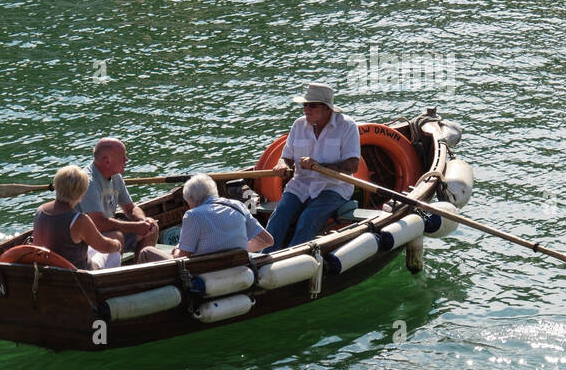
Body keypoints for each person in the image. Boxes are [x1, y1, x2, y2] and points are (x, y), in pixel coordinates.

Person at [265, 83, 361, 250]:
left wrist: (320, 166)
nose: (306, 109)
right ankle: (262, 258)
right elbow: (286, 157)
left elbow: (353, 166)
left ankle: (294, 260)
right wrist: (282, 166)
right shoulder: (298, 125)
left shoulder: (347, 126)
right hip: (300, 184)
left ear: (327, 108)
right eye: (305, 105)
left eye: (312, 105)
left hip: (334, 187)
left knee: (308, 218)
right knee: (279, 215)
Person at [137, 175, 272, 261]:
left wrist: (176, 248)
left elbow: (181, 257)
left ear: (191, 199)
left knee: (146, 252)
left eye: (187, 203)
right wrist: (239, 248)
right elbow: (267, 240)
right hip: (237, 267)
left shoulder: (193, 215)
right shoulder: (238, 206)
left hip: (202, 273)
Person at [75, 137, 159, 263]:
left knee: (152, 228)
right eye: (122, 157)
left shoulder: (116, 177)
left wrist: (143, 221)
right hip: (85, 238)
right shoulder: (88, 182)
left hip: (107, 230)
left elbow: (131, 209)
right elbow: (98, 223)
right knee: (116, 236)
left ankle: (139, 272)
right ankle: (115, 277)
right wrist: (135, 227)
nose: (126, 160)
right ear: (107, 161)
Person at [31, 165, 122, 270]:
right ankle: (108, 284)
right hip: (79, 276)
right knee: (114, 253)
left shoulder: (40, 211)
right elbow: (104, 246)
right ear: (82, 193)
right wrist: (117, 244)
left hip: (49, 271)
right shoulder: (79, 220)